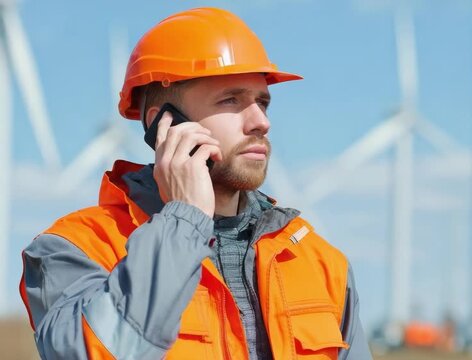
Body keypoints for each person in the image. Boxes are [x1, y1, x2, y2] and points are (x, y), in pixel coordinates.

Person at [19, 7, 371, 360]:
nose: (260, 121)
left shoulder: (322, 262)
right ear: (165, 125)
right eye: (231, 100)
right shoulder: (74, 249)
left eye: (263, 102)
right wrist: (185, 219)